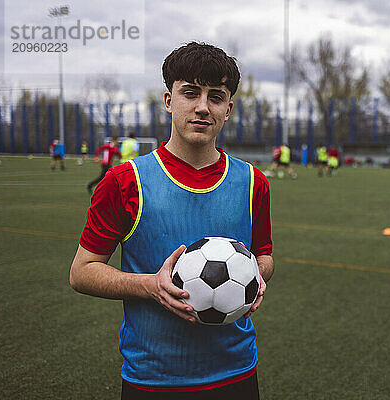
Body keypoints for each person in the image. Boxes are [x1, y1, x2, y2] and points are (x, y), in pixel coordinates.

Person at [70, 41, 273, 400]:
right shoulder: (124, 181)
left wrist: (254, 276)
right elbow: (82, 271)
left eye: (216, 96)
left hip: (238, 373)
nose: (201, 107)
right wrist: (152, 286)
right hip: (153, 379)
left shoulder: (254, 182)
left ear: (228, 109)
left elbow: (265, 257)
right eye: (190, 93)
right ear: (169, 101)